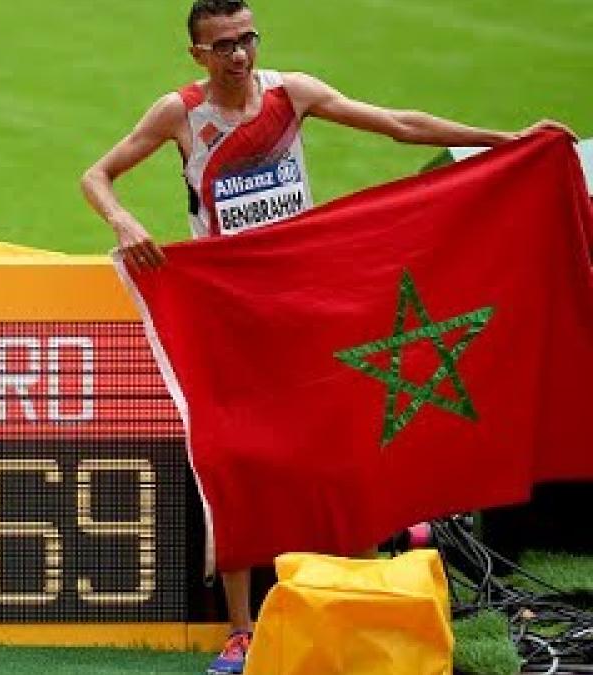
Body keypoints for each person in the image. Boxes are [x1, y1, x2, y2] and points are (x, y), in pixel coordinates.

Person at [79, 1, 574, 673]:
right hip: (231, 309)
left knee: (342, 438)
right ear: (198, 55)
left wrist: (507, 140)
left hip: (305, 297)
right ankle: (241, 629)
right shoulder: (181, 114)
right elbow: (96, 175)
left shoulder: (292, 93)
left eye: (246, 38)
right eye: (223, 45)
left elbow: (401, 125)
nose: (240, 54)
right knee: (237, 460)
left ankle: (361, 591)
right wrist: (123, 222)